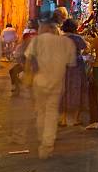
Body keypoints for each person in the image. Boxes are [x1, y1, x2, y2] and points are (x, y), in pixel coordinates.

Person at [24, 19, 76, 159]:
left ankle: (43, 139)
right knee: (51, 113)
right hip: (57, 83)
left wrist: (27, 76)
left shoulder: (38, 40)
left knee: (40, 111)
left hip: (39, 81)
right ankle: (47, 145)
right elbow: (71, 65)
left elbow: (28, 59)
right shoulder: (66, 43)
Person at [59, 19, 89, 126]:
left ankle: (63, 119)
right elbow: (86, 49)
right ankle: (75, 118)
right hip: (76, 66)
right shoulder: (77, 38)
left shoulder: (60, 38)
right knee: (77, 90)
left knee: (63, 90)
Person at [10, 20, 38, 95]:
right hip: (25, 59)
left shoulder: (32, 35)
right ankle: (17, 86)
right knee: (13, 72)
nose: (28, 24)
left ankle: (17, 87)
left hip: (27, 60)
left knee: (13, 72)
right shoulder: (28, 33)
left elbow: (28, 47)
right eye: (27, 23)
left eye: (29, 23)